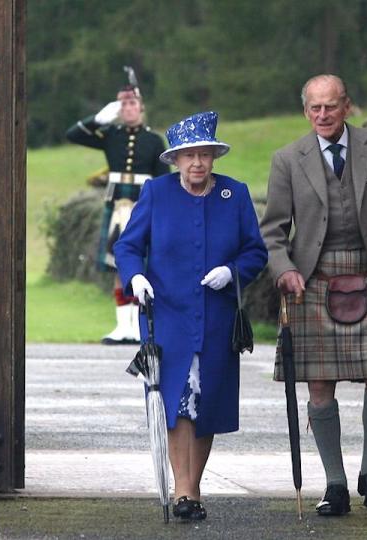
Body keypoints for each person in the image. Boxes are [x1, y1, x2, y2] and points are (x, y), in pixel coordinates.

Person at [260, 74, 367, 516]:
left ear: (346, 106)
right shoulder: (288, 159)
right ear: (305, 110)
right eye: (315, 108)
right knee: (318, 384)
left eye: (331, 106)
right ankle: (335, 484)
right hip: (312, 279)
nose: (323, 115)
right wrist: (285, 270)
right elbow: (272, 232)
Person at [113, 111, 268, 521]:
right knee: (177, 400)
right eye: (188, 156)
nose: (196, 162)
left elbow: (256, 251)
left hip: (216, 320)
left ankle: (192, 488)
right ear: (176, 160)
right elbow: (127, 247)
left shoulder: (235, 194)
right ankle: (184, 490)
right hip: (168, 317)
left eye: (204, 154)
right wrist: (136, 277)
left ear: (214, 157)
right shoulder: (157, 193)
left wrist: (232, 272)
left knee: (207, 404)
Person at [66, 76, 170, 345]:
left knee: (142, 265)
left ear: (142, 107)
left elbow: (163, 181)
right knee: (116, 266)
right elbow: (73, 134)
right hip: (116, 207)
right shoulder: (111, 136)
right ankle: (122, 326)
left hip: (143, 208)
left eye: (132, 102)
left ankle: (138, 326)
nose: (127, 108)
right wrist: (98, 120)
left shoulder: (154, 141)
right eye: (123, 103)